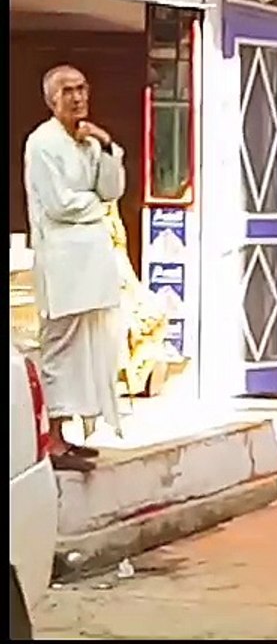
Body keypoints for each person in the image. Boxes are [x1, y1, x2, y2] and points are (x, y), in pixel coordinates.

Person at [24, 64, 127, 473]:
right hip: (64, 264)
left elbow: (112, 189)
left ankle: (69, 435)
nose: (77, 97)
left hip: (91, 265)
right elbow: (60, 204)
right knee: (60, 350)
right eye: (67, 90)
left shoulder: (85, 141)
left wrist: (105, 145)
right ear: (52, 100)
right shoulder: (43, 142)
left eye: (82, 88)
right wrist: (96, 206)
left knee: (87, 351)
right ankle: (52, 439)